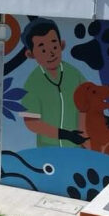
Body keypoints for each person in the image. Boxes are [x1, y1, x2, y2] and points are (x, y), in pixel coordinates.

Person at [18, 18, 88, 147]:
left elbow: (86, 108)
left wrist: (84, 138)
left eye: (54, 47)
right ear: (30, 54)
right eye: (43, 50)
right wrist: (65, 135)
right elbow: (32, 123)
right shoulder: (32, 83)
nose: (51, 54)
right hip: (48, 148)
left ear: (62, 45)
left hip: (76, 148)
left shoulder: (75, 75)